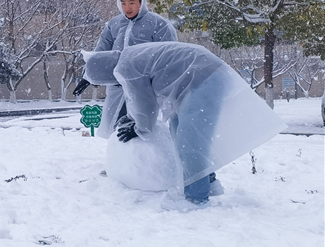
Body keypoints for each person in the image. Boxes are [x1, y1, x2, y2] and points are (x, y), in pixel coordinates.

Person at [83, 42, 286, 209]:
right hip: (199, 77)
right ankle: (208, 182)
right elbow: (141, 96)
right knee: (178, 131)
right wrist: (137, 120)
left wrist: (139, 128)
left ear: (105, 73)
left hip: (202, 79)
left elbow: (144, 103)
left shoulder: (125, 67)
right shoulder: (129, 57)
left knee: (191, 143)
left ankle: (196, 199)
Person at [73, 0, 178, 138]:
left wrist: (163, 86)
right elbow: (100, 52)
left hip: (143, 87)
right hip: (116, 86)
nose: (127, 8)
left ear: (141, 2)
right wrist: (89, 74)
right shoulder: (114, 25)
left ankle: (140, 161)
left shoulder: (158, 24)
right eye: (123, 3)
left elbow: (168, 56)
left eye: (131, 3)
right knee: (114, 129)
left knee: (139, 128)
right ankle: (120, 161)